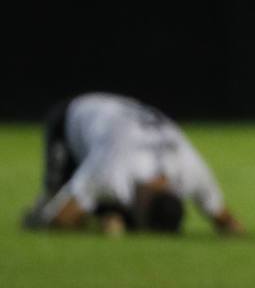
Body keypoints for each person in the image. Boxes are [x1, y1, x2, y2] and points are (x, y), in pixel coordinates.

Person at [22, 93, 243, 237]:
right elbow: (58, 220)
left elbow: (223, 218)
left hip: (119, 127)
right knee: (46, 211)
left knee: (107, 209)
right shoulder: (112, 170)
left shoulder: (191, 172)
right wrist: (100, 226)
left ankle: (111, 212)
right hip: (73, 119)